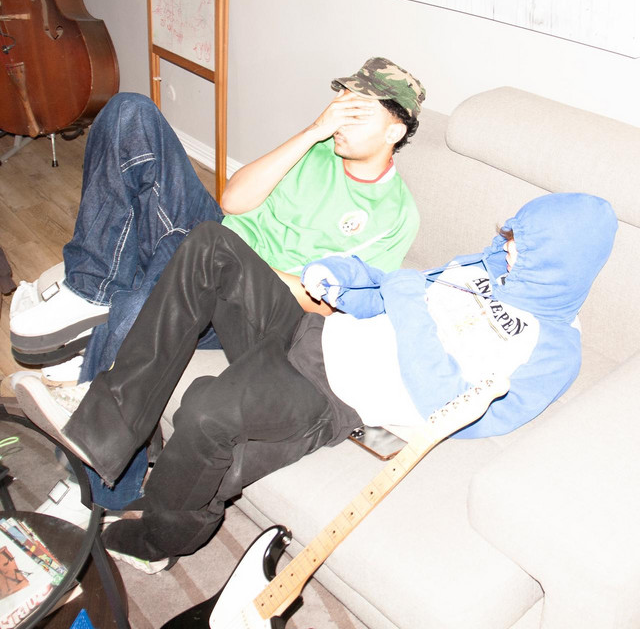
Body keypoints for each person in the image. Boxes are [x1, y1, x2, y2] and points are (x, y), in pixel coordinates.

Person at [13, 192, 617, 573]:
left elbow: (457, 410)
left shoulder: (551, 348)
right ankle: (108, 429)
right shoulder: (480, 268)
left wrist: (407, 300)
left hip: (331, 394)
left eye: (522, 246)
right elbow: (387, 293)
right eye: (510, 236)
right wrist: (346, 278)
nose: (506, 250)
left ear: (560, 262)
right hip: (310, 329)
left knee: (207, 411)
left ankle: (163, 539)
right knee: (210, 244)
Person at [9, 57, 425, 507]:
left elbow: (334, 307)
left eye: (357, 110)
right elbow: (233, 201)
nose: (340, 116)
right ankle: (89, 289)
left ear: (394, 130)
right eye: (340, 101)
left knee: (140, 300)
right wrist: (311, 132)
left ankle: (98, 495)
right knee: (130, 111)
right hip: (211, 251)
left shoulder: (395, 214)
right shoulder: (314, 149)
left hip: (259, 311)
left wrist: (242, 268)